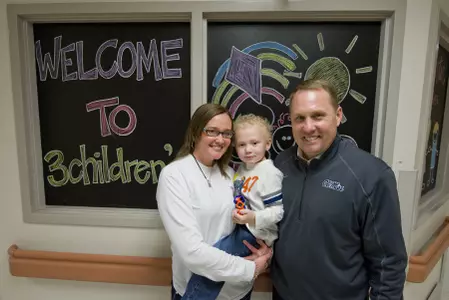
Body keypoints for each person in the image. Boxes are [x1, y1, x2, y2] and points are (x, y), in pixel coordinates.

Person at [271, 79, 408, 300]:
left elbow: (388, 262)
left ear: (338, 115)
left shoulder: (371, 175)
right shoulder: (280, 166)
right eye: (299, 118)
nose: (308, 127)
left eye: (317, 116)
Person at [156, 103, 272, 300]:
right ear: (195, 133)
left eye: (227, 134)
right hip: (197, 292)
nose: (220, 139)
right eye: (212, 131)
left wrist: (265, 254)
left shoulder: (232, 175)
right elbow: (191, 252)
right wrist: (251, 268)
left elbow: (251, 223)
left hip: (237, 292)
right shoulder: (174, 176)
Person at [181, 113, 284, 299]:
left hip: (255, 234)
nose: (248, 150)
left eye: (254, 143)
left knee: (210, 265)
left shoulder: (270, 173)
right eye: (242, 145)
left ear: (267, 144)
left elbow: (278, 212)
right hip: (241, 229)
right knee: (216, 269)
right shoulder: (243, 169)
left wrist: (253, 217)